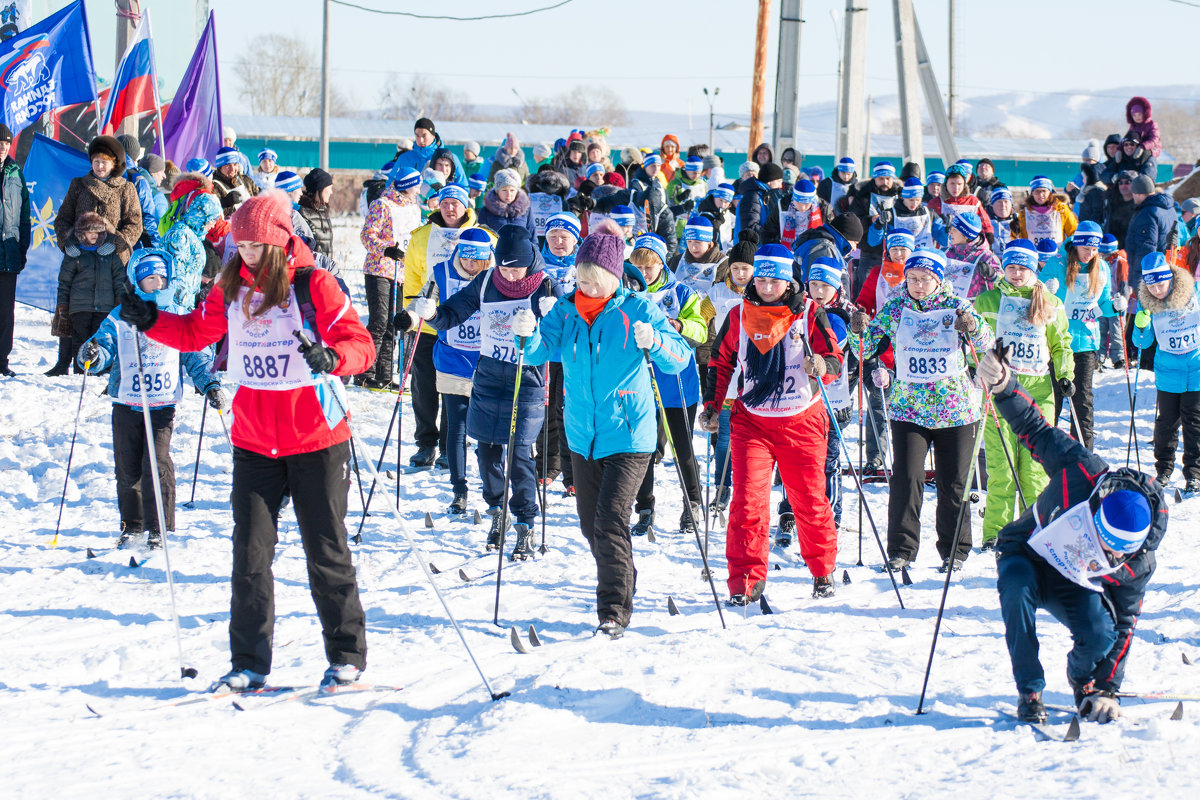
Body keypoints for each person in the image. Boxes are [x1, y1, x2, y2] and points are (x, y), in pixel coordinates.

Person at [119, 190, 375, 691]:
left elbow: (361, 344)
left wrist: (332, 357)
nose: (246, 253)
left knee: (326, 552)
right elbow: (196, 332)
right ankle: (249, 664)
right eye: (240, 244)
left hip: (316, 437)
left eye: (256, 245)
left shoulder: (314, 284)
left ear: (280, 241)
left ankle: (346, 657)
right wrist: (152, 321)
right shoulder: (229, 286)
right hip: (255, 438)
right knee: (250, 555)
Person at [975, 341, 1167, 724]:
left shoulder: (1140, 562)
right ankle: (1029, 689)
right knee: (1015, 590)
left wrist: (1107, 686)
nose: (1111, 557)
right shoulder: (1082, 472)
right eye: (1105, 544)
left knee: (1101, 632)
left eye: (1118, 555)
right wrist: (1003, 385)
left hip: (1074, 581)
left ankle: (1084, 683)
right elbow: (1036, 429)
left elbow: (1125, 626)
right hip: (1027, 555)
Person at [517, 223, 689, 636]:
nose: (586, 288)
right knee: (589, 524)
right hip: (582, 434)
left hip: (629, 434)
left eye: (595, 282)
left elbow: (678, 359)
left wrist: (656, 341)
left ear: (613, 279)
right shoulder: (565, 310)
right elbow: (539, 352)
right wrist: (528, 334)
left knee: (611, 519)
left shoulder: (638, 310)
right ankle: (623, 574)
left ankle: (612, 610)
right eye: (580, 279)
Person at [401, 226, 558, 557]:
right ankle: (497, 509)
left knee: (518, 454)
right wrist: (432, 314)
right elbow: (454, 311)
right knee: (486, 453)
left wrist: (550, 314)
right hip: (488, 375)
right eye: (503, 266)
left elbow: (559, 335)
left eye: (516, 267)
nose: (510, 274)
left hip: (525, 378)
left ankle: (525, 523)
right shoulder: (487, 281)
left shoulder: (544, 286)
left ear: (530, 261)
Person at [701, 244, 844, 601]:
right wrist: (712, 407)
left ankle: (822, 570)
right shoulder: (739, 315)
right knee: (747, 503)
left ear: (789, 281)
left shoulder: (809, 312)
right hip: (753, 422)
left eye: (775, 280)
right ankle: (746, 582)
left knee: (808, 500)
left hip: (802, 421)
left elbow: (834, 358)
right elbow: (720, 363)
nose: (767, 287)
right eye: (761, 279)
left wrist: (823, 367)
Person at [850, 247, 992, 572]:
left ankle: (954, 551)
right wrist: (857, 329)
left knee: (953, 482)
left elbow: (985, 342)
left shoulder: (956, 306)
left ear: (938, 279)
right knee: (906, 478)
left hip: (953, 409)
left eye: (924, 279)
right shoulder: (896, 306)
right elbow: (866, 348)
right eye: (912, 278)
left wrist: (972, 327)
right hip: (908, 408)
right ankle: (901, 550)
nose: (917, 285)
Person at [79, 249, 221, 549]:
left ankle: (159, 527)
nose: (157, 284)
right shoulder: (121, 314)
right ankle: (132, 525)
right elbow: (104, 343)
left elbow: (196, 354)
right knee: (127, 466)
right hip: (126, 401)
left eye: (161, 278)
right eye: (149, 279)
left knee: (156, 462)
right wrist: (92, 353)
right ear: (137, 281)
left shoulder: (178, 313)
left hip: (162, 402)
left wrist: (209, 384)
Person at [972, 240, 1073, 549]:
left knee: (1034, 469)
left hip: (1038, 391)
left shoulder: (1051, 303)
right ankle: (996, 533)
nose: (1016, 274)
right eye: (1011, 267)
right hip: (1000, 391)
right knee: (1001, 467)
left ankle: (1037, 528)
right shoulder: (987, 300)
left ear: (1034, 269)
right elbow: (974, 344)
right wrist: (976, 369)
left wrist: (1066, 374)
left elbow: (1061, 344)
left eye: (1023, 268)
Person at [396, 228, 493, 515]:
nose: (471, 265)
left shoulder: (495, 276)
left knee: (487, 430)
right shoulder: (442, 272)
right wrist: (410, 317)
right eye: (466, 259)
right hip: (453, 356)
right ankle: (459, 490)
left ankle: (493, 489)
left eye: (477, 261)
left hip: (488, 359)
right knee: (457, 426)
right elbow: (423, 301)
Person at [627, 233, 706, 537]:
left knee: (682, 447)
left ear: (662, 264)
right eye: (639, 266)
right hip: (639, 380)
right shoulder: (626, 292)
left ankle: (693, 504)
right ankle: (644, 508)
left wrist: (680, 325)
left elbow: (700, 330)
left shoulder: (682, 292)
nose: (644, 273)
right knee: (643, 447)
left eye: (650, 267)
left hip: (676, 379)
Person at [404, 184, 489, 465]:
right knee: (424, 387)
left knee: (457, 390)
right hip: (429, 324)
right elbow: (414, 279)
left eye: (456, 203)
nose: (450, 208)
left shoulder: (485, 235)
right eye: (445, 203)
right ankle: (426, 443)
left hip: (472, 331)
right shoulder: (422, 236)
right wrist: (413, 313)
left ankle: (449, 447)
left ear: (466, 206)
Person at [50, 136, 144, 376]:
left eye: (104, 162)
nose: (99, 166)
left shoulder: (126, 188)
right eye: (96, 161)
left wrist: (115, 244)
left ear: (114, 164)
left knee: (108, 312)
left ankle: (107, 364)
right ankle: (65, 361)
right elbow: (62, 220)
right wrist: (68, 242)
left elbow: (135, 224)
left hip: (112, 262)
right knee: (72, 308)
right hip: (81, 258)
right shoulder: (79, 185)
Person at [1041, 221, 1116, 449]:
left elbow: (1104, 303)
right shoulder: (1056, 264)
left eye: (1095, 250)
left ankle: (1083, 454)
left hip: (1086, 342)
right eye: (1086, 248)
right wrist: (1045, 291)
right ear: (1076, 244)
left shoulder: (1101, 268)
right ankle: (1046, 452)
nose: (1090, 254)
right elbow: (1035, 298)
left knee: (1082, 401)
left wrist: (1116, 306)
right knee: (1052, 400)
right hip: (1056, 342)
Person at [1133, 254, 1200, 493]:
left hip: (1196, 366)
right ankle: (1163, 470)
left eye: (1160, 284)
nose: (1157, 290)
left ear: (1170, 278)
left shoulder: (1194, 291)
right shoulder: (1147, 302)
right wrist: (1141, 325)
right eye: (1151, 286)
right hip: (1168, 370)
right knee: (1166, 424)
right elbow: (1142, 343)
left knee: (1194, 423)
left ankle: (1194, 473)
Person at [359, 166, 423, 389]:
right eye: (416, 185)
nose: (419, 189)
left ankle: (384, 374)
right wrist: (386, 250)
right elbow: (367, 236)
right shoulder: (382, 204)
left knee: (393, 325)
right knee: (378, 323)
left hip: (402, 273)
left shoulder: (414, 208)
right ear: (407, 186)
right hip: (379, 269)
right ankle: (365, 371)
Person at [705, 241, 756, 511]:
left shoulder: (761, 294)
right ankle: (722, 488)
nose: (740, 273)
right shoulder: (718, 291)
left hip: (753, 376)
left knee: (750, 440)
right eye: (735, 268)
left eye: (745, 268)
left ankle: (749, 490)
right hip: (726, 370)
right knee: (724, 437)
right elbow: (700, 319)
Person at [536, 213, 581, 493]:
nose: (558, 242)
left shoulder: (583, 266)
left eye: (564, 237)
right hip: (544, 350)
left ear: (575, 239)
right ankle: (546, 463)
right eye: (553, 237)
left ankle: (573, 471)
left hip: (574, 351)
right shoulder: (537, 266)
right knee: (545, 409)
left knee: (570, 411)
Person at [56, 213, 127, 366]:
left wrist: (120, 303)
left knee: (100, 339)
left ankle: (99, 368)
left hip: (104, 307)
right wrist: (63, 305)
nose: (94, 235)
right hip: (80, 307)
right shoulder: (74, 254)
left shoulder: (111, 255)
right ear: (82, 233)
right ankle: (80, 369)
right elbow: (64, 282)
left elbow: (120, 281)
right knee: (80, 340)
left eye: (97, 232)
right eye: (90, 232)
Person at [0, 123, 29, 377]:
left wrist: (22, 249)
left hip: (8, 253)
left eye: (5, 144)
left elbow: (24, 217)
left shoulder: (15, 173)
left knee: (5, 313)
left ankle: (2, 361)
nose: (2, 148)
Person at [161, 192, 222, 313]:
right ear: (203, 216)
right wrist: (182, 308)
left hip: (187, 304)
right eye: (213, 219)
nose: (214, 225)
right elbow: (176, 275)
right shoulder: (180, 235)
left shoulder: (193, 235)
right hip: (175, 307)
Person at [1125, 174, 1176, 295]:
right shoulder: (1169, 209)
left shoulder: (1147, 213)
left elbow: (1146, 248)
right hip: (1165, 268)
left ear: (1139, 193)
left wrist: (1139, 280)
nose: (1132, 196)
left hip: (1151, 274)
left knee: (1146, 310)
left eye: (1133, 193)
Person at [943, 211, 1001, 300]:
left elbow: (1001, 287)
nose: (950, 232)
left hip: (973, 309)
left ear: (966, 235)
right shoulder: (946, 252)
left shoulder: (986, 257)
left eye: (954, 230)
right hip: (946, 307)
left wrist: (992, 275)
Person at [1015, 176, 1077, 250]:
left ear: (1050, 192)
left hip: (1057, 257)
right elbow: (1018, 237)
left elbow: (1073, 232)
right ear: (1032, 193)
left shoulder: (1061, 209)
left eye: (1044, 191)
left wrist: (1071, 250)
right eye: (1037, 191)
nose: (1041, 195)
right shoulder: (1024, 213)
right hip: (1033, 257)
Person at [1098, 234, 1130, 368]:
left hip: (1116, 303)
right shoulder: (1100, 263)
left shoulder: (1120, 262)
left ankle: (1118, 358)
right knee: (1101, 329)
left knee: (1116, 331)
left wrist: (1123, 300)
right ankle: (1098, 356)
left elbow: (1125, 285)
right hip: (1103, 301)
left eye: (1103, 253)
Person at [478, 168, 534, 238]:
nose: (508, 194)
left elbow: (532, 233)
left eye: (512, 190)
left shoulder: (526, 209)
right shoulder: (487, 210)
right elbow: (481, 235)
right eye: (504, 190)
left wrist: (534, 249)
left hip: (521, 249)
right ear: (497, 191)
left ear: (517, 191)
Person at [298, 168, 335, 258]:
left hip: (325, 268)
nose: (331, 192)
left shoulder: (323, 210)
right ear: (320, 189)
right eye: (329, 188)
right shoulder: (304, 213)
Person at [212, 146, 260, 214]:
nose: (232, 169)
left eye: (235, 164)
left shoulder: (245, 180)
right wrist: (225, 203)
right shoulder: (214, 185)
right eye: (228, 165)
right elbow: (212, 214)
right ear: (220, 167)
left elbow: (258, 199)